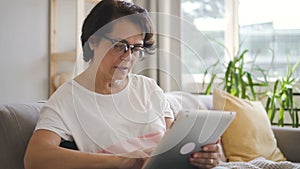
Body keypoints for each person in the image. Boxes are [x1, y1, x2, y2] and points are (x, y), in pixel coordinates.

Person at [24, 0, 221, 169]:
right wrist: (120, 161)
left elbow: (171, 143)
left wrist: (204, 156)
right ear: (93, 41)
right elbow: (34, 158)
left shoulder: (148, 87)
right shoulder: (67, 99)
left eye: (136, 48)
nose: (128, 57)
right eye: (119, 45)